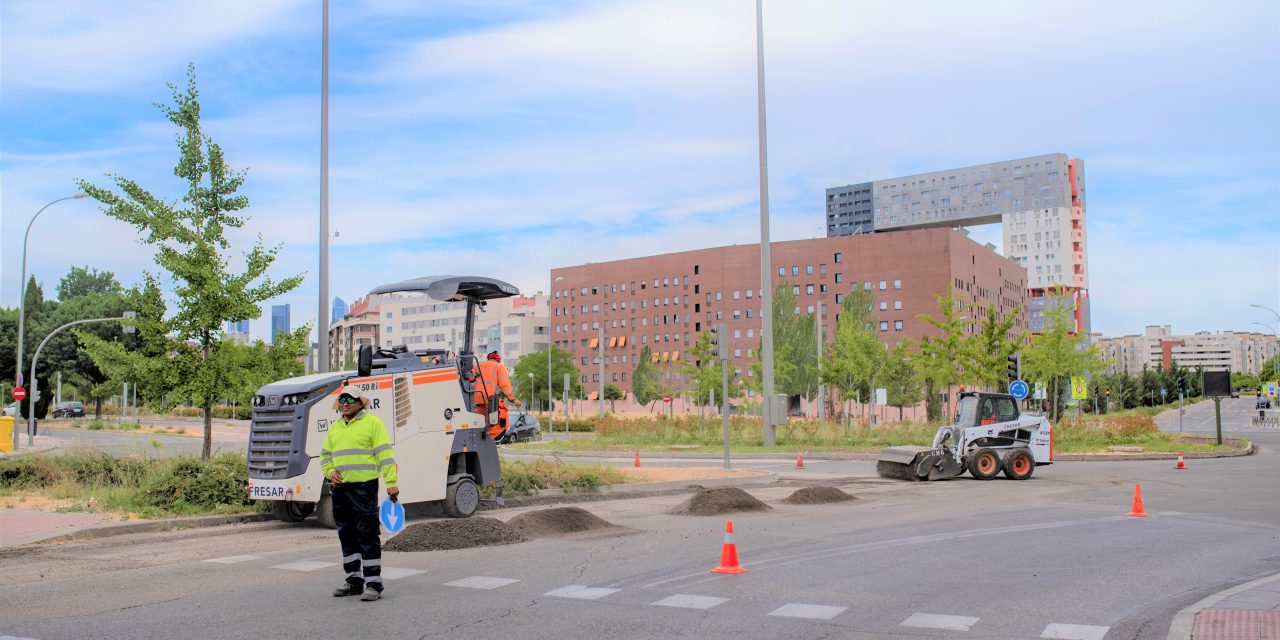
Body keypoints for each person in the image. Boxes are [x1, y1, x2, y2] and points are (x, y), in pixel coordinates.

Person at [320, 389, 398, 602]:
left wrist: (391, 484)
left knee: (367, 533)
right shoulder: (335, 428)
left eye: (349, 400)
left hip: (364, 487)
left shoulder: (373, 424)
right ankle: (353, 581)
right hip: (341, 489)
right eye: (341, 400)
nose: (344, 403)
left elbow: (385, 455)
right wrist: (330, 472)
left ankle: (374, 584)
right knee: (346, 533)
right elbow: (325, 457)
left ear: (360, 403)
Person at [473, 351, 518, 441]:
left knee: (482, 422)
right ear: (498, 360)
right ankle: (491, 438)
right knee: (501, 418)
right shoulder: (499, 366)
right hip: (491, 399)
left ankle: (481, 439)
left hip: (477, 398)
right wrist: (513, 399)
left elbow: (470, 378)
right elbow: (505, 385)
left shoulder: (478, 366)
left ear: (488, 358)